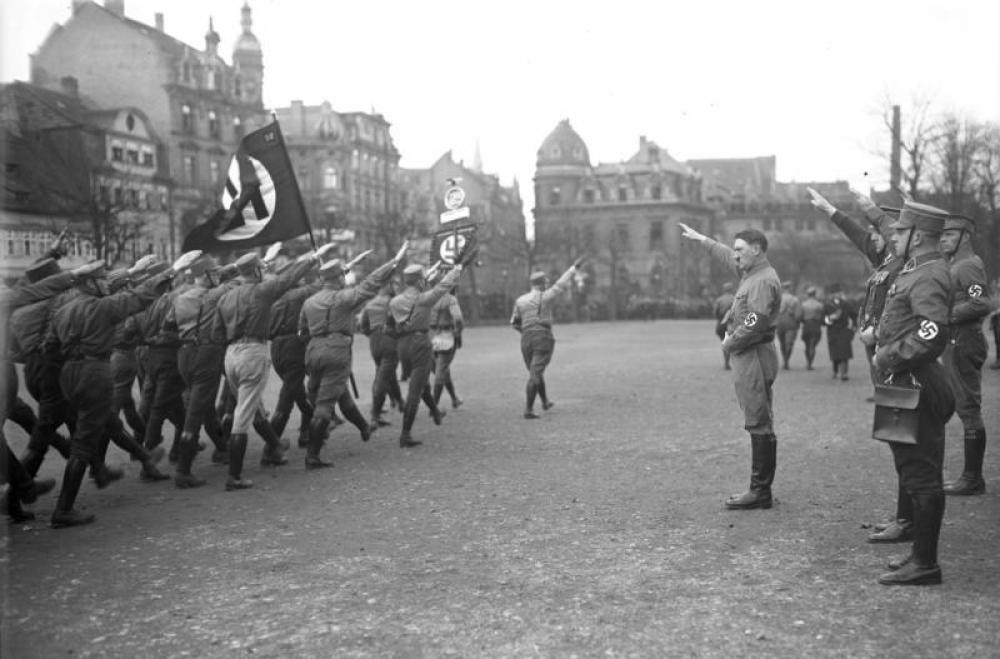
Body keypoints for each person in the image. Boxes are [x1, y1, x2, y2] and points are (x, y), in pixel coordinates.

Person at [43, 252, 199, 528]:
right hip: (95, 371)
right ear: (90, 284)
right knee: (84, 440)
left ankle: (143, 458)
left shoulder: (62, 310)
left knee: (108, 422)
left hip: (69, 373)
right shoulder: (101, 307)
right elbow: (139, 296)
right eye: (101, 280)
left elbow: (49, 349)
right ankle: (63, 509)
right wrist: (172, 270)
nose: (105, 283)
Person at [871, 201, 954, 586]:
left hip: (915, 383)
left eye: (900, 231)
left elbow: (931, 331)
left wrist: (888, 354)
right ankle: (919, 554)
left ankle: (926, 564)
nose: (894, 235)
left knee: (921, 474)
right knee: (911, 467)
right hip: (905, 383)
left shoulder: (928, 274)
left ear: (917, 236)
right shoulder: (918, 269)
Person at [680, 224, 781, 510]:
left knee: (758, 418)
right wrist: (704, 240)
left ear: (756, 249)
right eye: (735, 250)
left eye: (740, 250)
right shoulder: (753, 272)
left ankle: (759, 491)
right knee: (760, 417)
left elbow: (755, 321)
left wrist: (730, 343)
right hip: (752, 352)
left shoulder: (760, 280)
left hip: (752, 353)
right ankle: (762, 489)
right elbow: (727, 256)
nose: (735, 256)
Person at [210, 248, 326, 491]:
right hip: (253, 351)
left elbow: (216, 334)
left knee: (254, 410)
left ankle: (274, 445)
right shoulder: (261, 291)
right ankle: (235, 476)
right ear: (255, 270)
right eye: (261, 269)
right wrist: (312, 260)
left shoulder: (225, 297)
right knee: (243, 416)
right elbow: (288, 279)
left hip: (230, 354)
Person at [299, 244, 405, 467]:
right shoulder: (344, 298)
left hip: (312, 351)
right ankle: (312, 455)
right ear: (338, 278)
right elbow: (371, 284)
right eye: (342, 276)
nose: (344, 279)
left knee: (325, 395)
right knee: (324, 405)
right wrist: (393, 263)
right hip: (336, 351)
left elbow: (302, 332)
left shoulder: (309, 302)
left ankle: (363, 428)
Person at [168, 257, 239, 488]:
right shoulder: (213, 295)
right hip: (206, 354)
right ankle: (183, 471)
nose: (217, 277)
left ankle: (222, 449)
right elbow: (235, 283)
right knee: (196, 412)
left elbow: (168, 325)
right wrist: (237, 268)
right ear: (205, 276)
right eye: (213, 274)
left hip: (184, 354)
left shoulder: (179, 297)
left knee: (204, 406)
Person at [939, 214, 992, 496]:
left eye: (949, 235)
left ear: (964, 237)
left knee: (968, 407)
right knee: (958, 404)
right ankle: (970, 476)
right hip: (956, 341)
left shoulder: (968, 265)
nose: (944, 240)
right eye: (943, 235)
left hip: (965, 341)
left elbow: (981, 302)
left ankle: (972, 478)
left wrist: (945, 315)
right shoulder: (955, 265)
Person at [390, 259, 468, 447]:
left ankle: (435, 411)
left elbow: (390, 325)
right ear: (419, 282)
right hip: (420, 343)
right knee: (415, 390)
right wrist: (456, 269)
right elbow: (443, 286)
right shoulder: (424, 299)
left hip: (402, 345)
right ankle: (405, 434)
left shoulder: (395, 302)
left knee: (421, 381)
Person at [511, 260, 583, 419]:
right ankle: (528, 410)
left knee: (535, 370)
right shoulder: (546, 296)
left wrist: (526, 331)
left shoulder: (520, 300)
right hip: (542, 337)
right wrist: (573, 268)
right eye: (546, 282)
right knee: (535, 374)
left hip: (526, 339)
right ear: (542, 284)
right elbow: (561, 284)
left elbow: (514, 323)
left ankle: (544, 401)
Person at [268, 265, 321, 448]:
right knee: (288, 399)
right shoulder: (300, 293)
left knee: (298, 393)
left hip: (275, 348)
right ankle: (272, 447)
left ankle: (307, 433)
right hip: (293, 347)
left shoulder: (271, 297)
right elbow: (323, 285)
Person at [360, 281, 404, 430]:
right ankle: (375, 415)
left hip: (374, 342)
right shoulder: (394, 303)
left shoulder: (369, 304)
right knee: (383, 378)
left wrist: (374, 335)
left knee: (385, 373)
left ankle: (400, 402)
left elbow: (362, 326)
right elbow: (402, 323)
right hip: (389, 340)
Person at [430, 282, 465, 408]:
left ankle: (454, 399)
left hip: (430, 335)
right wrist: (458, 332)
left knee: (442, 368)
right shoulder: (450, 299)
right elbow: (458, 319)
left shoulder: (429, 297)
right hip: (445, 336)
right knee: (441, 370)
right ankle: (434, 406)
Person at [823, 283, 856, 380]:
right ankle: (835, 371)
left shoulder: (846, 304)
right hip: (832, 331)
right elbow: (822, 319)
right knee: (835, 354)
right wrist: (829, 318)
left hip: (843, 330)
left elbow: (854, 315)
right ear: (831, 294)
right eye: (835, 293)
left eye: (839, 292)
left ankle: (844, 373)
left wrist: (854, 327)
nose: (837, 294)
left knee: (844, 353)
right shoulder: (827, 305)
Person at [775, 281, 802, 370]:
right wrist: (798, 323)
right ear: (790, 288)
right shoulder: (795, 300)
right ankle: (786, 360)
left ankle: (785, 360)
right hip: (791, 324)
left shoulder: (777, 299)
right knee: (789, 344)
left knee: (782, 344)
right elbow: (798, 315)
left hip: (779, 324)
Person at [799, 287, 824, 370]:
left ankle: (808, 362)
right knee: (813, 345)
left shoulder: (803, 304)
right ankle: (810, 363)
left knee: (807, 345)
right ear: (814, 294)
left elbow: (800, 317)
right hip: (816, 325)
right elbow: (822, 317)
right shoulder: (819, 305)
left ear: (808, 294)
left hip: (806, 325)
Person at [713, 282, 735, 370]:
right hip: (731, 324)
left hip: (721, 324)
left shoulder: (719, 300)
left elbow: (715, 312)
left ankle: (726, 362)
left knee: (724, 342)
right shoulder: (735, 298)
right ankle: (727, 362)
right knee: (728, 343)